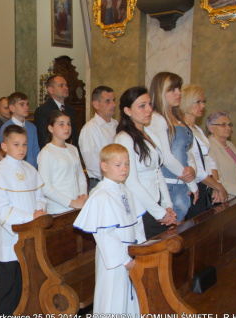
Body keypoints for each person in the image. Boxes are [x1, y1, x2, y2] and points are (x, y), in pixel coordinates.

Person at [74, 143, 144, 318]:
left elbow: (136, 223)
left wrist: (141, 249)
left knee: (128, 301)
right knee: (112, 300)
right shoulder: (101, 195)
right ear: (104, 166)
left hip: (131, 254)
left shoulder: (125, 191)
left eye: (127, 164)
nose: (124, 169)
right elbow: (105, 235)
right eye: (118, 165)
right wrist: (125, 260)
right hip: (114, 260)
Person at [0, 124, 47, 318]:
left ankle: (21, 315)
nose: (21, 149)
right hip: (8, 236)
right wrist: (31, 216)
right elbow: (1, 210)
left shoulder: (30, 169)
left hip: (29, 232)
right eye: (16, 144)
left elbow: (41, 197)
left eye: (24, 144)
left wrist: (38, 212)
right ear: (4, 146)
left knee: (24, 277)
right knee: (7, 281)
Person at [114, 87, 176, 239]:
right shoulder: (125, 139)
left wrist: (167, 205)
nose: (149, 109)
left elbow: (158, 171)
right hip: (140, 206)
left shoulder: (150, 135)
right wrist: (159, 213)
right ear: (128, 111)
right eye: (142, 106)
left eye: (149, 104)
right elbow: (131, 182)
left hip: (156, 202)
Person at [148, 72, 198, 223]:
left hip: (181, 182)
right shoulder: (156, 118)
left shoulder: (177, 116)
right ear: (160, 92)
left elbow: (187, 150)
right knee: (171, 237)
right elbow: (167, 157)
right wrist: (192, 183)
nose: (178, 93)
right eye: (172, 90)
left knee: (179, 235)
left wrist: (192, 169)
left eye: (178, 88)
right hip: (169, 185)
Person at [181, 85, 227, 218]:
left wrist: (216, 184)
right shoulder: (183, 130)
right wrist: (219, 187)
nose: (202, 106)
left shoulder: (197, 129)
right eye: (198, 102)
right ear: (187, 103)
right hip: (195, 186)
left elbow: (209, 160)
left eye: (203, 102)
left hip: (208, 184)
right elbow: (197, 170)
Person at [38, 110, 88, 214]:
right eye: (61, 124)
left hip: (77, 206)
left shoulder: (73, 149)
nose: (67, 128)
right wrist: (71, 202)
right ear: (50, 128)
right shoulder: (47, 152)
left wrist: (82, 196)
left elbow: (81, 176)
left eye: (68, 124)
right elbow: (46, 187)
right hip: (59, 209)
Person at [79, 86, 118, 191]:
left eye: (113, 100)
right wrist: (113, 178)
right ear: (96, 104)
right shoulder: (90, 128)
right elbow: (93, 164)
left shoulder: (117, 125)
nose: (113, 104)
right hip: (101, 183)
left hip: (117, 181)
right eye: (108, 101)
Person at [207, 112, 236, 199]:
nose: (228, 127)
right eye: (223, 125)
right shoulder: (208, 146)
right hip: (222, 198)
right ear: (211, 127)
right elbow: (216, 179)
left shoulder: (230, 145)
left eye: (229, 124)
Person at [34, 75, 78, 149]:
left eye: (66, 85)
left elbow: (74, 135)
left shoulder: (70, 109)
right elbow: (43, 138)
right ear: (50, 90)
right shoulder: (43, 111)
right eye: (61, 85)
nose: (66, 88)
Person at [0, 92, 40, 169]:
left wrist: (36, 169)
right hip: (14, 169)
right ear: (12, 108)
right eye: (22, 104)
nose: (26, 107)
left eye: (27, 104)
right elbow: (5, 153)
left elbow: (36, 151)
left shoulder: (32, 127)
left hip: (31, 169)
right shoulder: (6, 128)